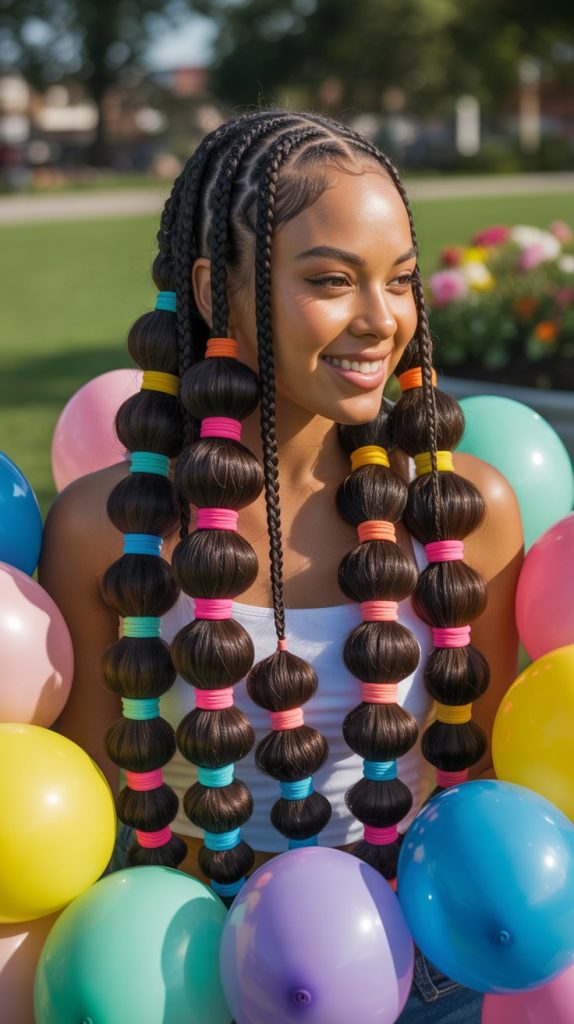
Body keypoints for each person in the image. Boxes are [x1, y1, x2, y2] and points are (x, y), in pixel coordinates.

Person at [38, 108, 524, 1022]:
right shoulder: (113, 532)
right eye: (332, 280)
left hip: (424, 979)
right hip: (183, 975)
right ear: (217, 295)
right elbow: (81, 818)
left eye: (402, 281)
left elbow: (493, 778)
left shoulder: (462, 517)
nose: (380, 320)